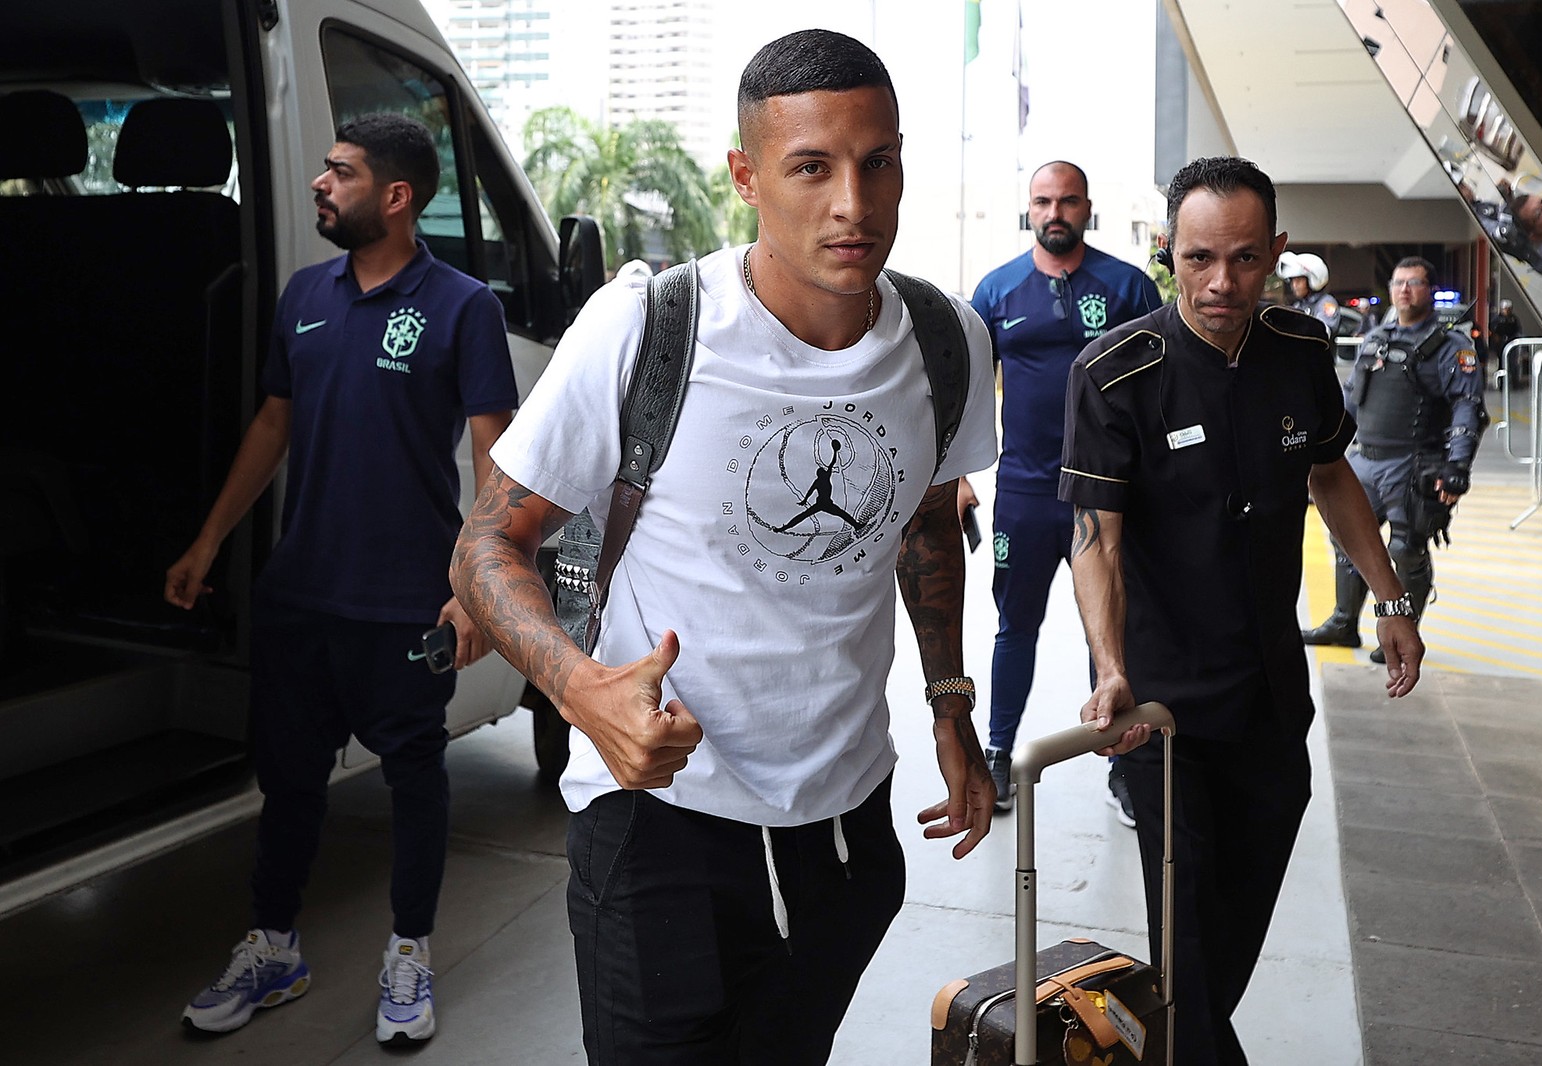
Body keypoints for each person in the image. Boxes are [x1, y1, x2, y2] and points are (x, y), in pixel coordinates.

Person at [453, 31, 1150, 1066]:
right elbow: (486, 544)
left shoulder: (946, 338)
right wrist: (581, 691)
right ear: (745, 175)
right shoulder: (648, 325)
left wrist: (949, 705)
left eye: (878, 163)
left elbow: (922, 517)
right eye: (811, 166)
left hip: (843, 827)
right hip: (659, 820)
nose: (852, 204)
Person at [1060, 155, 1424, 1065]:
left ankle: (1162, 1036)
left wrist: (1390, 598)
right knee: (1185, 949)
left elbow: (1332, 473)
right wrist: (1110, 671)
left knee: (1224, 943)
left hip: (1270, 700)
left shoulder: (1300, 353)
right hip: (1162, 711)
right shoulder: (1115, 373)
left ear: (1278, 253)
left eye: (1246, 259)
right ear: (1166, 251)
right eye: (1198, 259)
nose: (1222, 283)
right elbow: (1095, 536)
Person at [166, 113, 517, 1044]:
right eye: (325, 169)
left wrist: (474, 584)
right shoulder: (302, 294)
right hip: (300, 593)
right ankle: (274, 947)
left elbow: (494, 463)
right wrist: (210, 542)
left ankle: (409, 954)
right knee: (289, 782)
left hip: (403, 598)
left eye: (340, 172)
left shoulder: (462, 307)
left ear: (395, 197)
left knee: (414, 776)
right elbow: (273, 425)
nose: (321, 184)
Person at [962, 160, 1161, 821]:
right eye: (1044, 201)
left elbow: (1162, 388)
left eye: (1067, 201)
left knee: (1107, 631)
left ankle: (1120, 764)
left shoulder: (1128, 287)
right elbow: (965, 394)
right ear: (1030, 208)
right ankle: (997, 752)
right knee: (1014, 626)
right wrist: (957, 476)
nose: (1055, 213)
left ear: (1087, 207)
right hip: (1022, 491)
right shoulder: (997, 290)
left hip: (1106, 493)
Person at [1302, 256, 1487, 661]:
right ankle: (1343, 623)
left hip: (1413, 464)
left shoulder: (1451, 347)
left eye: (1415, 283)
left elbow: (1467, 406)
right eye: (1399, 282)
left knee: (1406, 549)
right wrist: (1321, 448)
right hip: (1363, 460)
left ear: (1429, 290)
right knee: (1346, 540)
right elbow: (1350, 399)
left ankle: (1403, 633)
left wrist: (1457, 465)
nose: (1405, 290)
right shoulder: (1376, 338)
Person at [1276, 250, 1342, 335]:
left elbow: (1323, 332)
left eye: (1298, 281)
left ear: (1312, 280)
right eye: (1292, 281)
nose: (1294, 285)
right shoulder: (1299, 305)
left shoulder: (1326, 303)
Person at [1488, 297, 1522, 380]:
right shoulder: (1497, 319)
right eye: (1505, 309)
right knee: (1501, 361)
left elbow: (1517, 329)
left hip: (1511, 342)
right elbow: (1492, 329)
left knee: (1512, 362)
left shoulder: (1513, 319)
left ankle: (1513, 380)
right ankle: (1502, 380)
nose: (1506, 311)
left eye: (1508, 309)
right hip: (1500, 344)